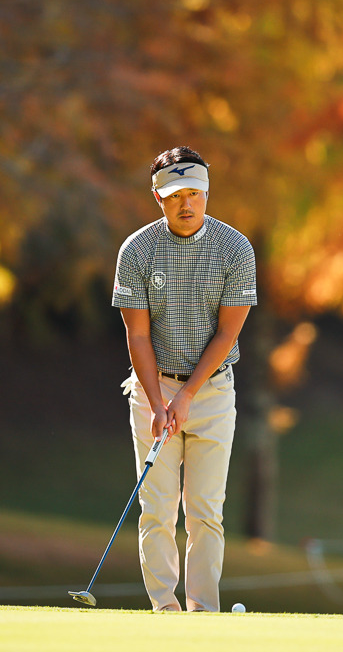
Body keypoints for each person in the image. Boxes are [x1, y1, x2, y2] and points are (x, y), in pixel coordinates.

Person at [111, 145, 256, 612]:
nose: (186, 204)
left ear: (208, 192)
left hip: (212, 391)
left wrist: (188, 394)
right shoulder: (137, 251)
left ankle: (202, 614)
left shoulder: (235, 249)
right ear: (159, 198)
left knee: (205, 512)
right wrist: (158, 403)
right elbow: (137, 336)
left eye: (194, 193)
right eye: (175, 196)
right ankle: (165, 613)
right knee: (156, 511)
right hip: (152, 387)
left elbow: (228, 332)